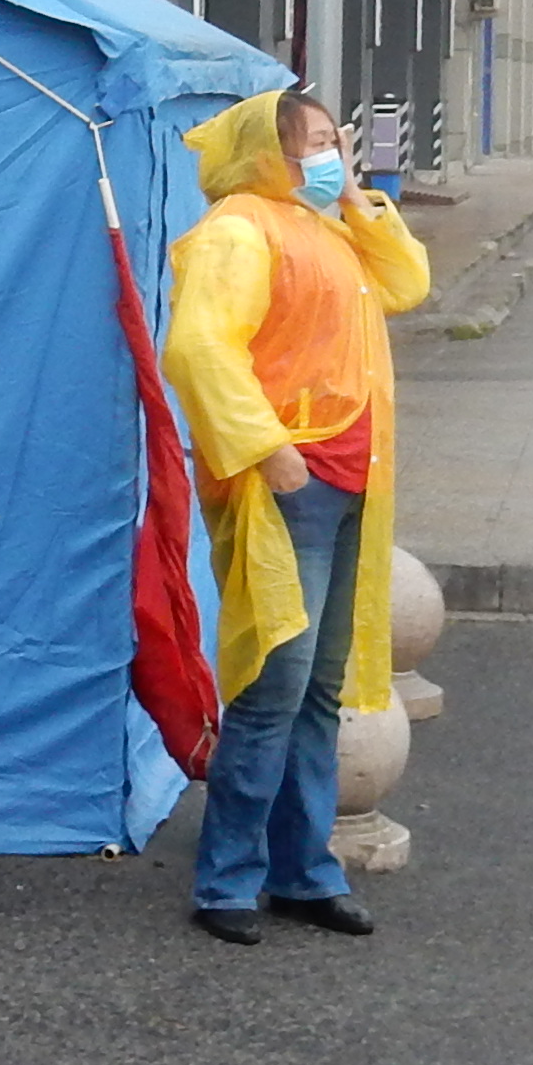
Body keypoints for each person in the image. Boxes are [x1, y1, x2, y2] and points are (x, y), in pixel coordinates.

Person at [161, 88, 429, 942]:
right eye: (311, 142)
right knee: (271, 686)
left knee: (319, 689)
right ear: (263, 152)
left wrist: (354, 198)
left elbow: (406, 283)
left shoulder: (325, 225)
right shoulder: (240, 229)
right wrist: (267, 449)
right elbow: (198, 346)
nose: (327, 153)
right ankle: (227, 882)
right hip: (291, 483)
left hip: (351, 482)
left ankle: (304, 870)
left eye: (331, 140)